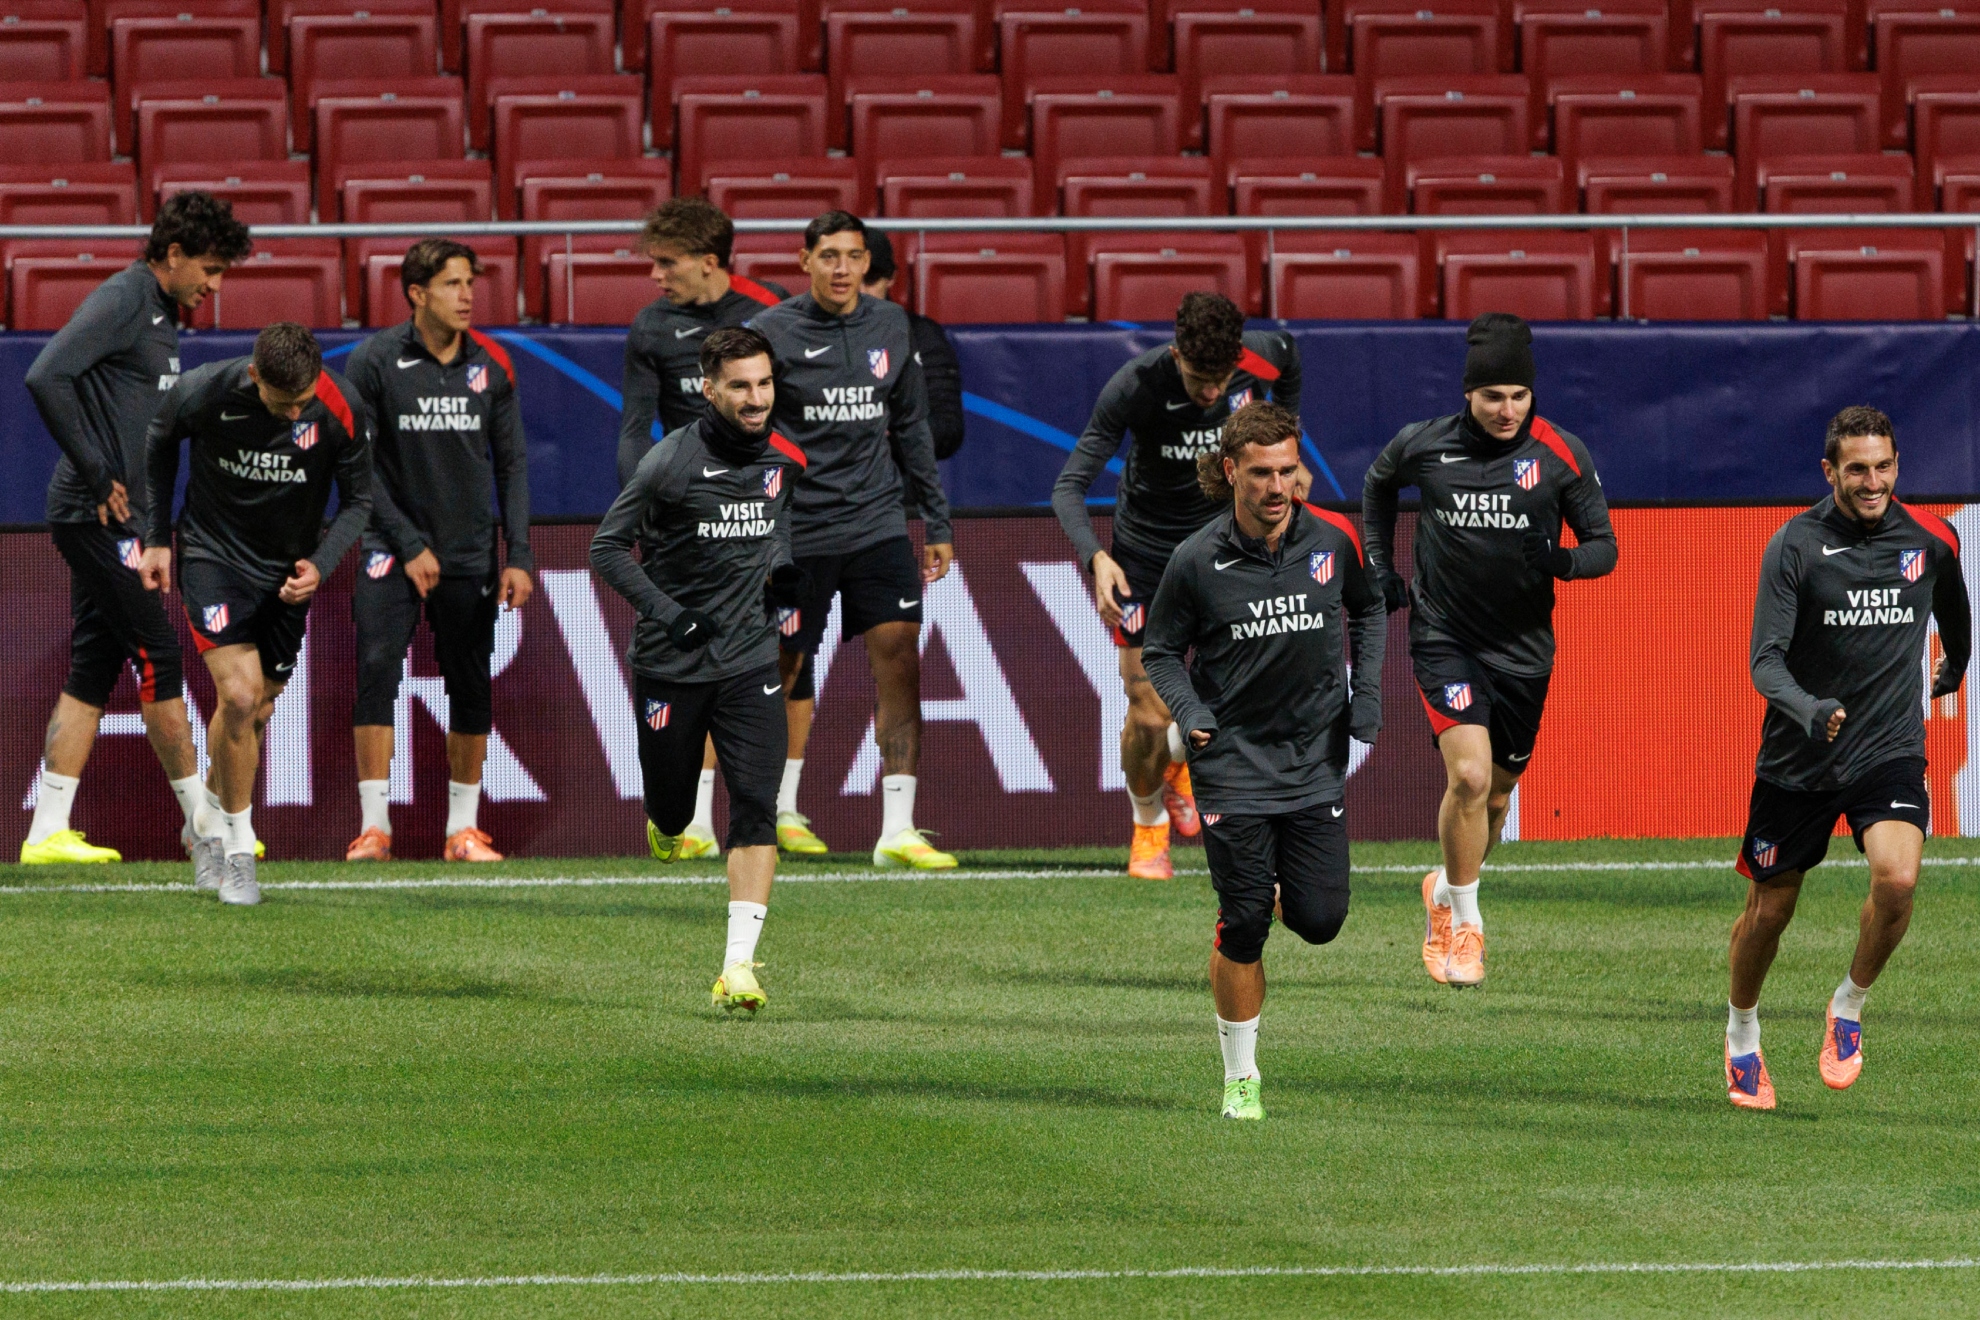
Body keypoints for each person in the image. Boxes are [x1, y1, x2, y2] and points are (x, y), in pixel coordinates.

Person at [1142, 402, 1384, 1121]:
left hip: (1313, 760)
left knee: (1319, 920)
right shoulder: (1195, 560)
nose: (1278, 487)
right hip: (1234, 763)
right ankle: (1241, 1076)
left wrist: (1364, 693)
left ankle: (1280, 889)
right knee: (1245, 921)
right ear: (1230, 472)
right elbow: (1160, 651)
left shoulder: (1333, 542)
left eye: (1288, 471)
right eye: (1261, 474)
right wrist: (1192, 714)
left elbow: (1369, 609)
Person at [1722, 407, 1968, 1110]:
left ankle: (1849, 1007)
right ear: (1829, 472)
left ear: (1897, 465)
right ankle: (1742, 1030)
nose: (1872, 481)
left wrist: (1958, 662)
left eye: (1883, 466)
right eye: (1856, 468)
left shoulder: (1930, 538)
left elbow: (1953, 604)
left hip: (1888, 749)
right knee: (1769, 913)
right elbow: (1764, 662)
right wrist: (1808, 710)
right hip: (1797, 759)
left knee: (1897, 879)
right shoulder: (1794, 546)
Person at [1362, 313, 1617, 988]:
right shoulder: (1425, 446)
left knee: (1496, 800)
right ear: (1468, 394)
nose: (1507, 410)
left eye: (1518, 396)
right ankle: (1466, 925)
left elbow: (1604, 550)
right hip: (1444, 636)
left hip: (1525, 652)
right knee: (1469, 778)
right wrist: (1378, 563)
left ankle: (1443, 889)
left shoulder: (1562, 455)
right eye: (1492, 396)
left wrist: (1561, 562)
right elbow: (1378, 486)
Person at [18, 192, 251, 865]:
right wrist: (96, 475)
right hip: (94, 514)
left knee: (94, 666)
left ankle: (46, 833)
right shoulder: (125, 299)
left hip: (116, 516)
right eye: (208, 268)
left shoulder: (157, 312)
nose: (214, 284)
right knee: (161, 654)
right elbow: (45, 374)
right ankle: (204, 826)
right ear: (171, 254)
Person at [590, 327, 807, 1013]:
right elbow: (607, 549)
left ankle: (737, 966)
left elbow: (776, 526)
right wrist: (669, 614)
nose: (755, 398)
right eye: (740, 386)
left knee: (754, 806)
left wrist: (780, 576)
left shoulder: (783, 458)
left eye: (764, 384)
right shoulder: (670, 462)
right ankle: (664, 817)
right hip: (672, 663)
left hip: (749, 659)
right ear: (709, 389)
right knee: (676, 812)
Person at [1051, 292, 1303, 880]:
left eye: (1221, 380)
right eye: (1198, 377)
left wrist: (1289, 451)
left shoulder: (1263, 356)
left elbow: (1291, 365)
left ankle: (1180, 765)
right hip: (1145, 559)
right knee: (1147, 715)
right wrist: (1096, 558)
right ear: (1176, 350)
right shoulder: (1136, 386)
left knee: (1236, 705)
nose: (1212, 394)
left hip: (1229, 554)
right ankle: (1147, 824)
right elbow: (1069, 486)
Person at [751, 211, 957, 869]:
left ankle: (898, 827)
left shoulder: (892, 326)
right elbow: (743, 431)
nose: (842, 269)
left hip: (877, 524)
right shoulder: (771, 333)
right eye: (830, 256)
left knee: (899, 656)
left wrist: (936, 522)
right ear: (805, 260)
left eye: (853, 256)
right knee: (784, 666)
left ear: (868, 264)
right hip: (798, 529)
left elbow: (914, 429)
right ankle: (776, 810)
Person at [141, 324, 371, 905]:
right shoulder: (204, 391)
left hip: (287, 572)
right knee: (240, 696)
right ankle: (240, 851)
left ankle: (207, 823)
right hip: (213, 555)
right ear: (254, 376)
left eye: (304, 399)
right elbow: (160, 442)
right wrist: (157, 536)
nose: (296, 412)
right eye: (282, 401)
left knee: (255, 708)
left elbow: (360, 499)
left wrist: (321, 563)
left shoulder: (341, 406)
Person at [342, 239, 533, 863]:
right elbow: (359, 470)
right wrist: (409, 544)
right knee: (376, 671)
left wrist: (519, 554)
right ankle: (375, 828)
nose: (467, 295)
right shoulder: (373, 361)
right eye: (452, 284)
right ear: (417, 294)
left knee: (470, 683)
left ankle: (462, 830)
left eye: (470, 283)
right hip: (390, 549)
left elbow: (512, 467)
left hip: (470, 551)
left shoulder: (492, 366)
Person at [617, 197, 789, 862]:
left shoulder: (768, 310)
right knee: (696, 658)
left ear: (711, 263)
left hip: (755, 512)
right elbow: (635, 425)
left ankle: (772, 808)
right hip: (686, 514)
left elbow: (787, 415)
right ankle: (683, 814)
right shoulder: (650, 327)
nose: (657, 276)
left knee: (766, 652)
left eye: (668, 263)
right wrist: (644, 507)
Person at [860, 229, 965, 461]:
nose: (860, 292)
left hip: (901, 486)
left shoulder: (921, 336)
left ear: (891, 278)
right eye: (851, 279)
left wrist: (884, 435)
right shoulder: (806, 337)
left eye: (870, 280)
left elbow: (947, 429)